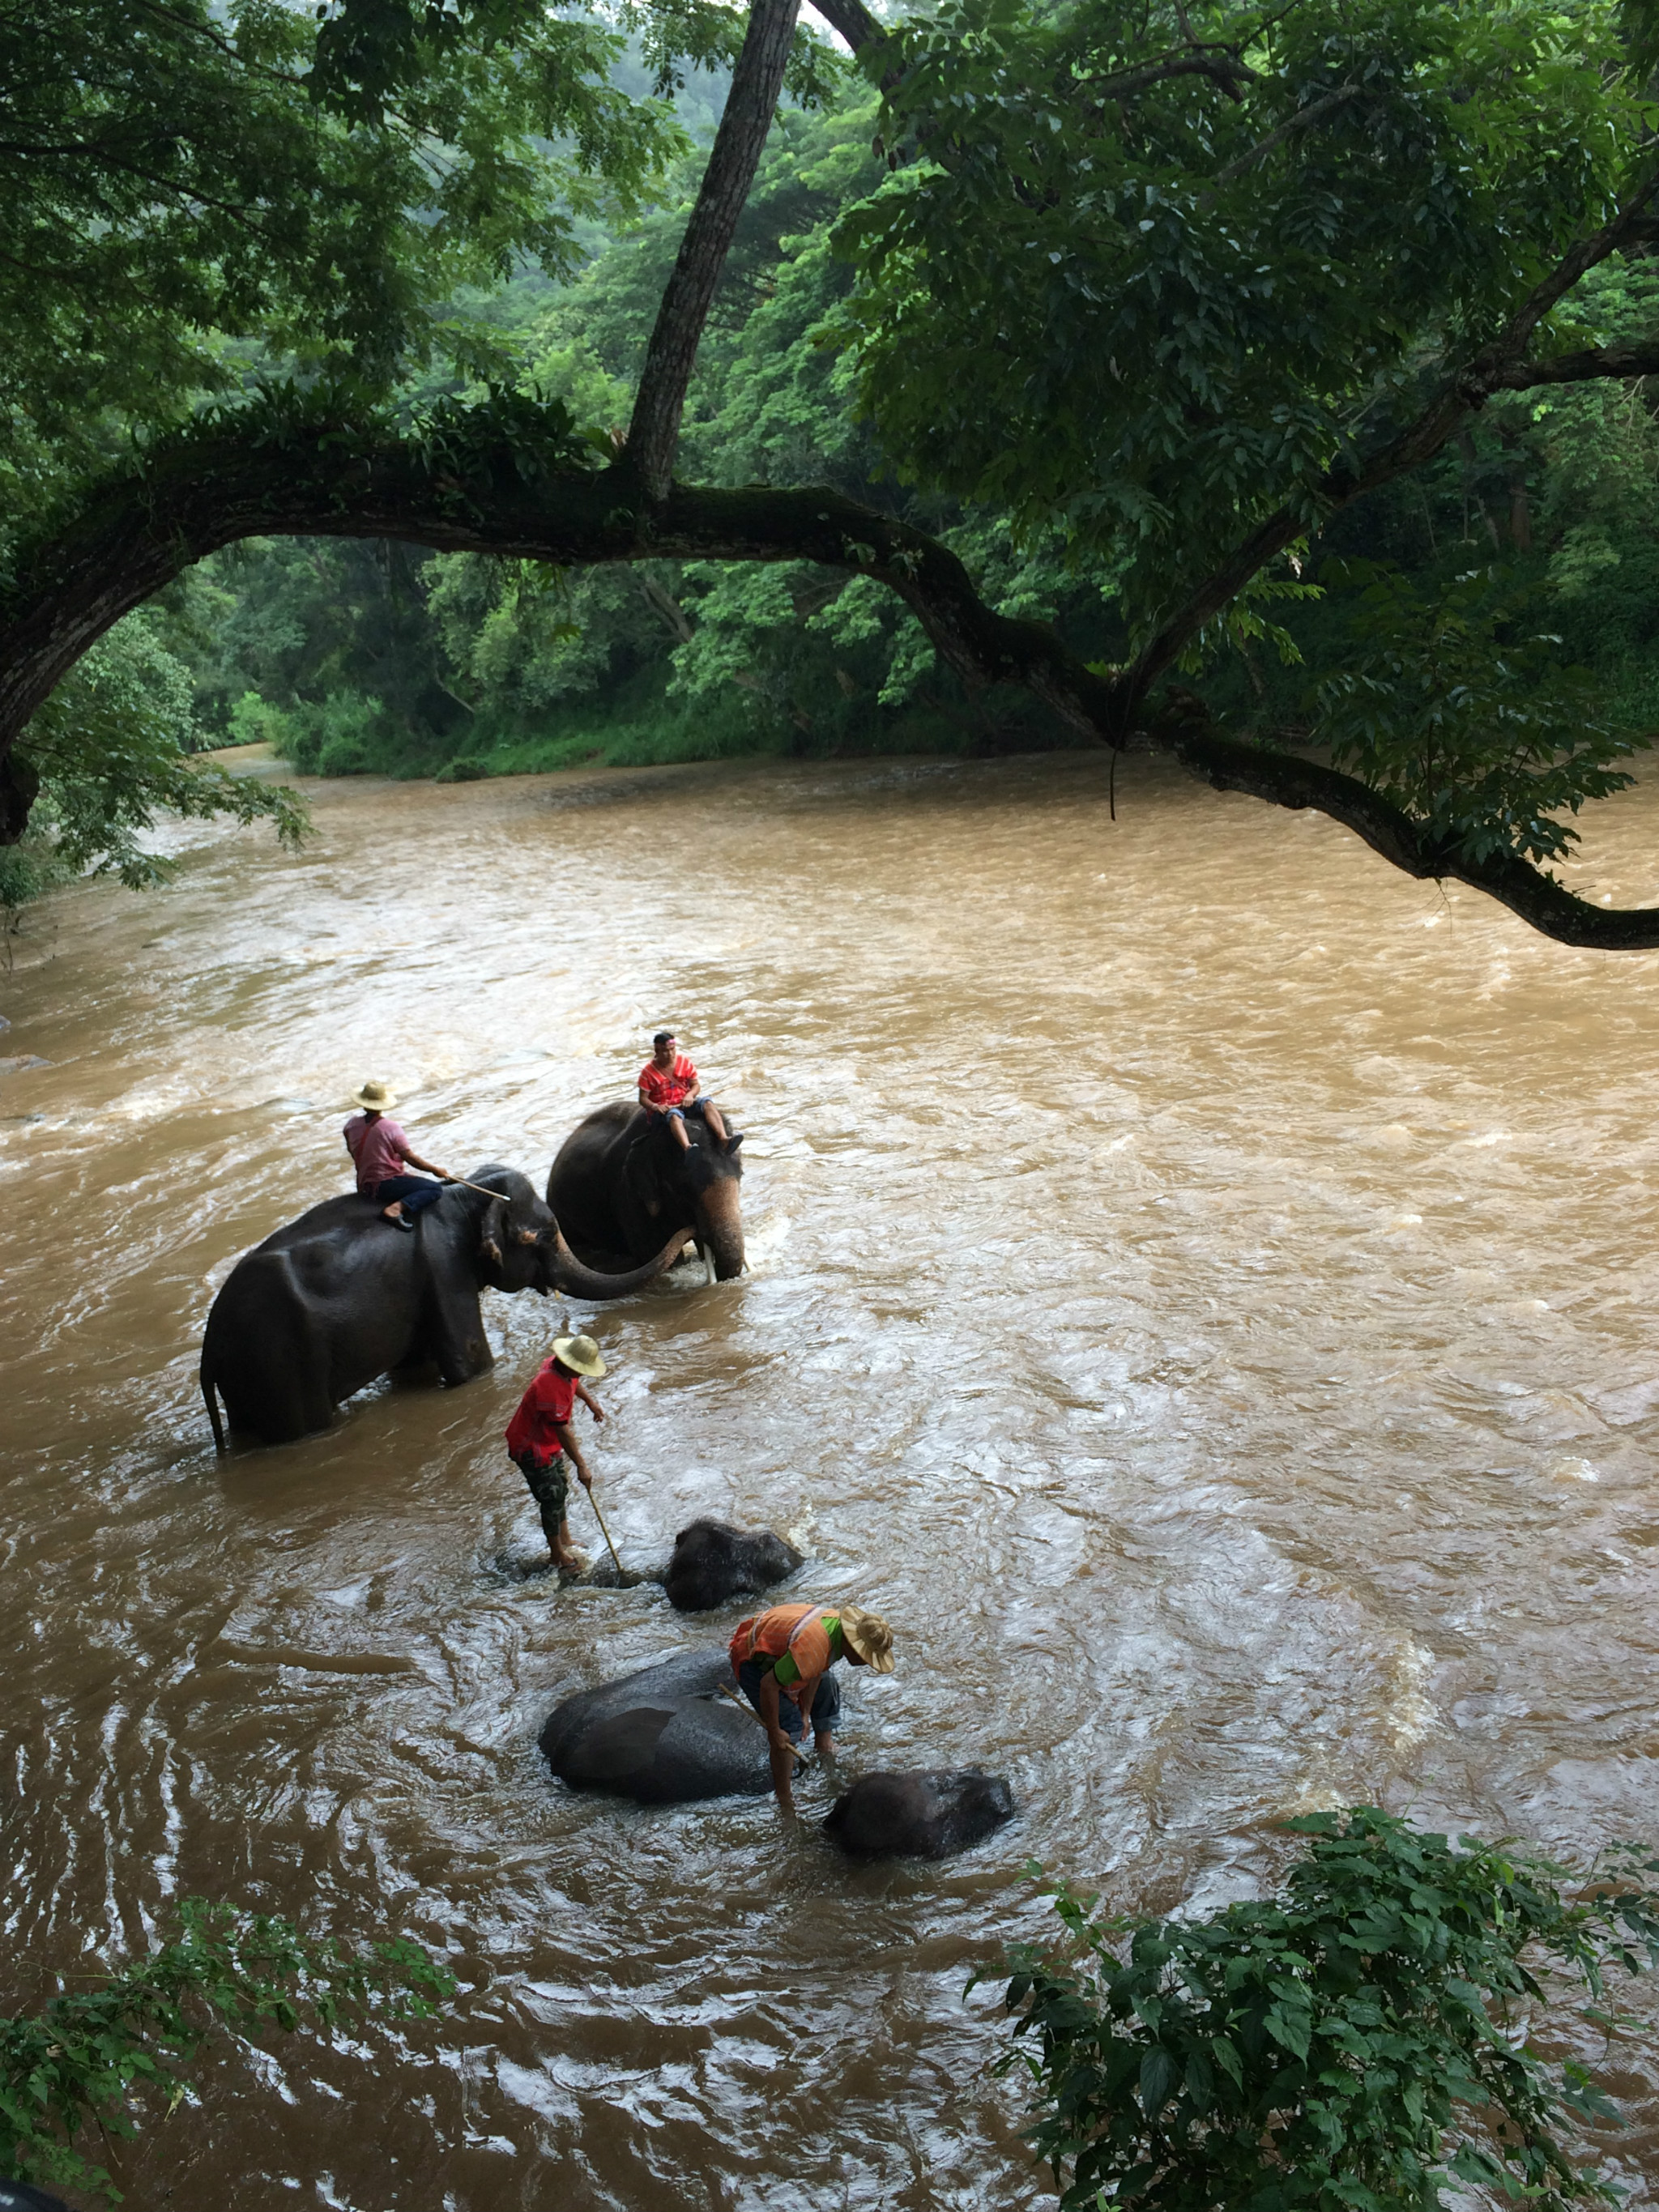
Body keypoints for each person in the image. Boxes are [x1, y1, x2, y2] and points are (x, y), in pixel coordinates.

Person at [729, 1600, 895, 1814]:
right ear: (853, 1645)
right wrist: (774, 1731)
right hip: (751, 1659)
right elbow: (768, 1685)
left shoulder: (835, 1631)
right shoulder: (816, 1645)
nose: (867, 1663)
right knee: (789, 1726)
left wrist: (806, 1712)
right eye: (867, 1657)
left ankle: (824, 1744)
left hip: (781, 1651)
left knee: (828, 1684)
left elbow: (817, 1671)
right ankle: (784, 1796)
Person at [505, 1333, 608, 1570]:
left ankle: (565, 1539)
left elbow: (575, 1383)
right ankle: (557, 1555)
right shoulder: (549, 1385)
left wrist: (590, 1402)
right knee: (551, 1497)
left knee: (560, 1487)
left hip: (547, 1444)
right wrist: (582, 1465)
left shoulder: (560, 1367)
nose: (581, 1374)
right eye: (581, 1369)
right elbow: (563, 1431)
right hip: (531, 1447)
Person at [343, 1080, 453, 1230]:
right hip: (385, 1184)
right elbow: (410, 1158)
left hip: (364, 1183)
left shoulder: (351, 1124)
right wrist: (435, 1170)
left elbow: (353, 1152)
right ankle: (395, 1210)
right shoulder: (390, 1128)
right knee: (434, 1189)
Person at [638, 1029, 733, 1153]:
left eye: (672, 1049)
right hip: (666, 1108)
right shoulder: (648, 1072)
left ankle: (724, 1138)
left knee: (707, 1103)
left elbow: (695, 1085)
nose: (670, 1054)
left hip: (685, 1102)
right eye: (666, 1051)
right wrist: (655, 1107)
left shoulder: (684, 1062)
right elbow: (643, 1098)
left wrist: (690, 1094)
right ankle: (687, 1148)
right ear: (657, 1052)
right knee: (674, 1116)